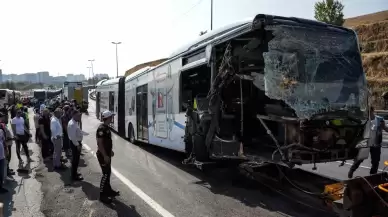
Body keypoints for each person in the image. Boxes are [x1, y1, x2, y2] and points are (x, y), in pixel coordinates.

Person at [348, 106, 388, 178]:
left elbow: (385, 128)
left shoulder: (379, 119)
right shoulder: (364, 120)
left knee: (375, 161)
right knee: (360, 159)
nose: (368, 114)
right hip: (366, 143)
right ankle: (351, 170)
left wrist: (384, 127)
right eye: (367, 112)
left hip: (376, 144)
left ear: (373, 111)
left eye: (370, 112)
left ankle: (372, 176)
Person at [96, 110, 120, 203]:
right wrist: (105, 155)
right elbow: (100, 143)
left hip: (106, 154)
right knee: (105, 174)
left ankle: (108, 191)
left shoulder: (106, 127)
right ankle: (102, 195)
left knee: (108, 173)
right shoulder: (102, 128)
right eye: (111, 117)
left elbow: (107, 142)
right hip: (103, 155)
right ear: (108, 118)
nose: (112, 118)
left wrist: (110, 151)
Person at [67, 110, 83, 181]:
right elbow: (73, 136)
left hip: (75, 142)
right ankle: (74, 176)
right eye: (78, 115)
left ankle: (75, 173)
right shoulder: (72, 124)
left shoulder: (74, 122)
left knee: (76, 159)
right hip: (75, 143)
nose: (79, 117)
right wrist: (77, 145)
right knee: (75, 160)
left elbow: (78, 131)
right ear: (73, 115)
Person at [0, 117, 8, 193]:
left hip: (1, 155)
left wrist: (6, 149)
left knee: (1, 172)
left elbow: (3, 141)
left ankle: (1, 187)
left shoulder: (1, 131)